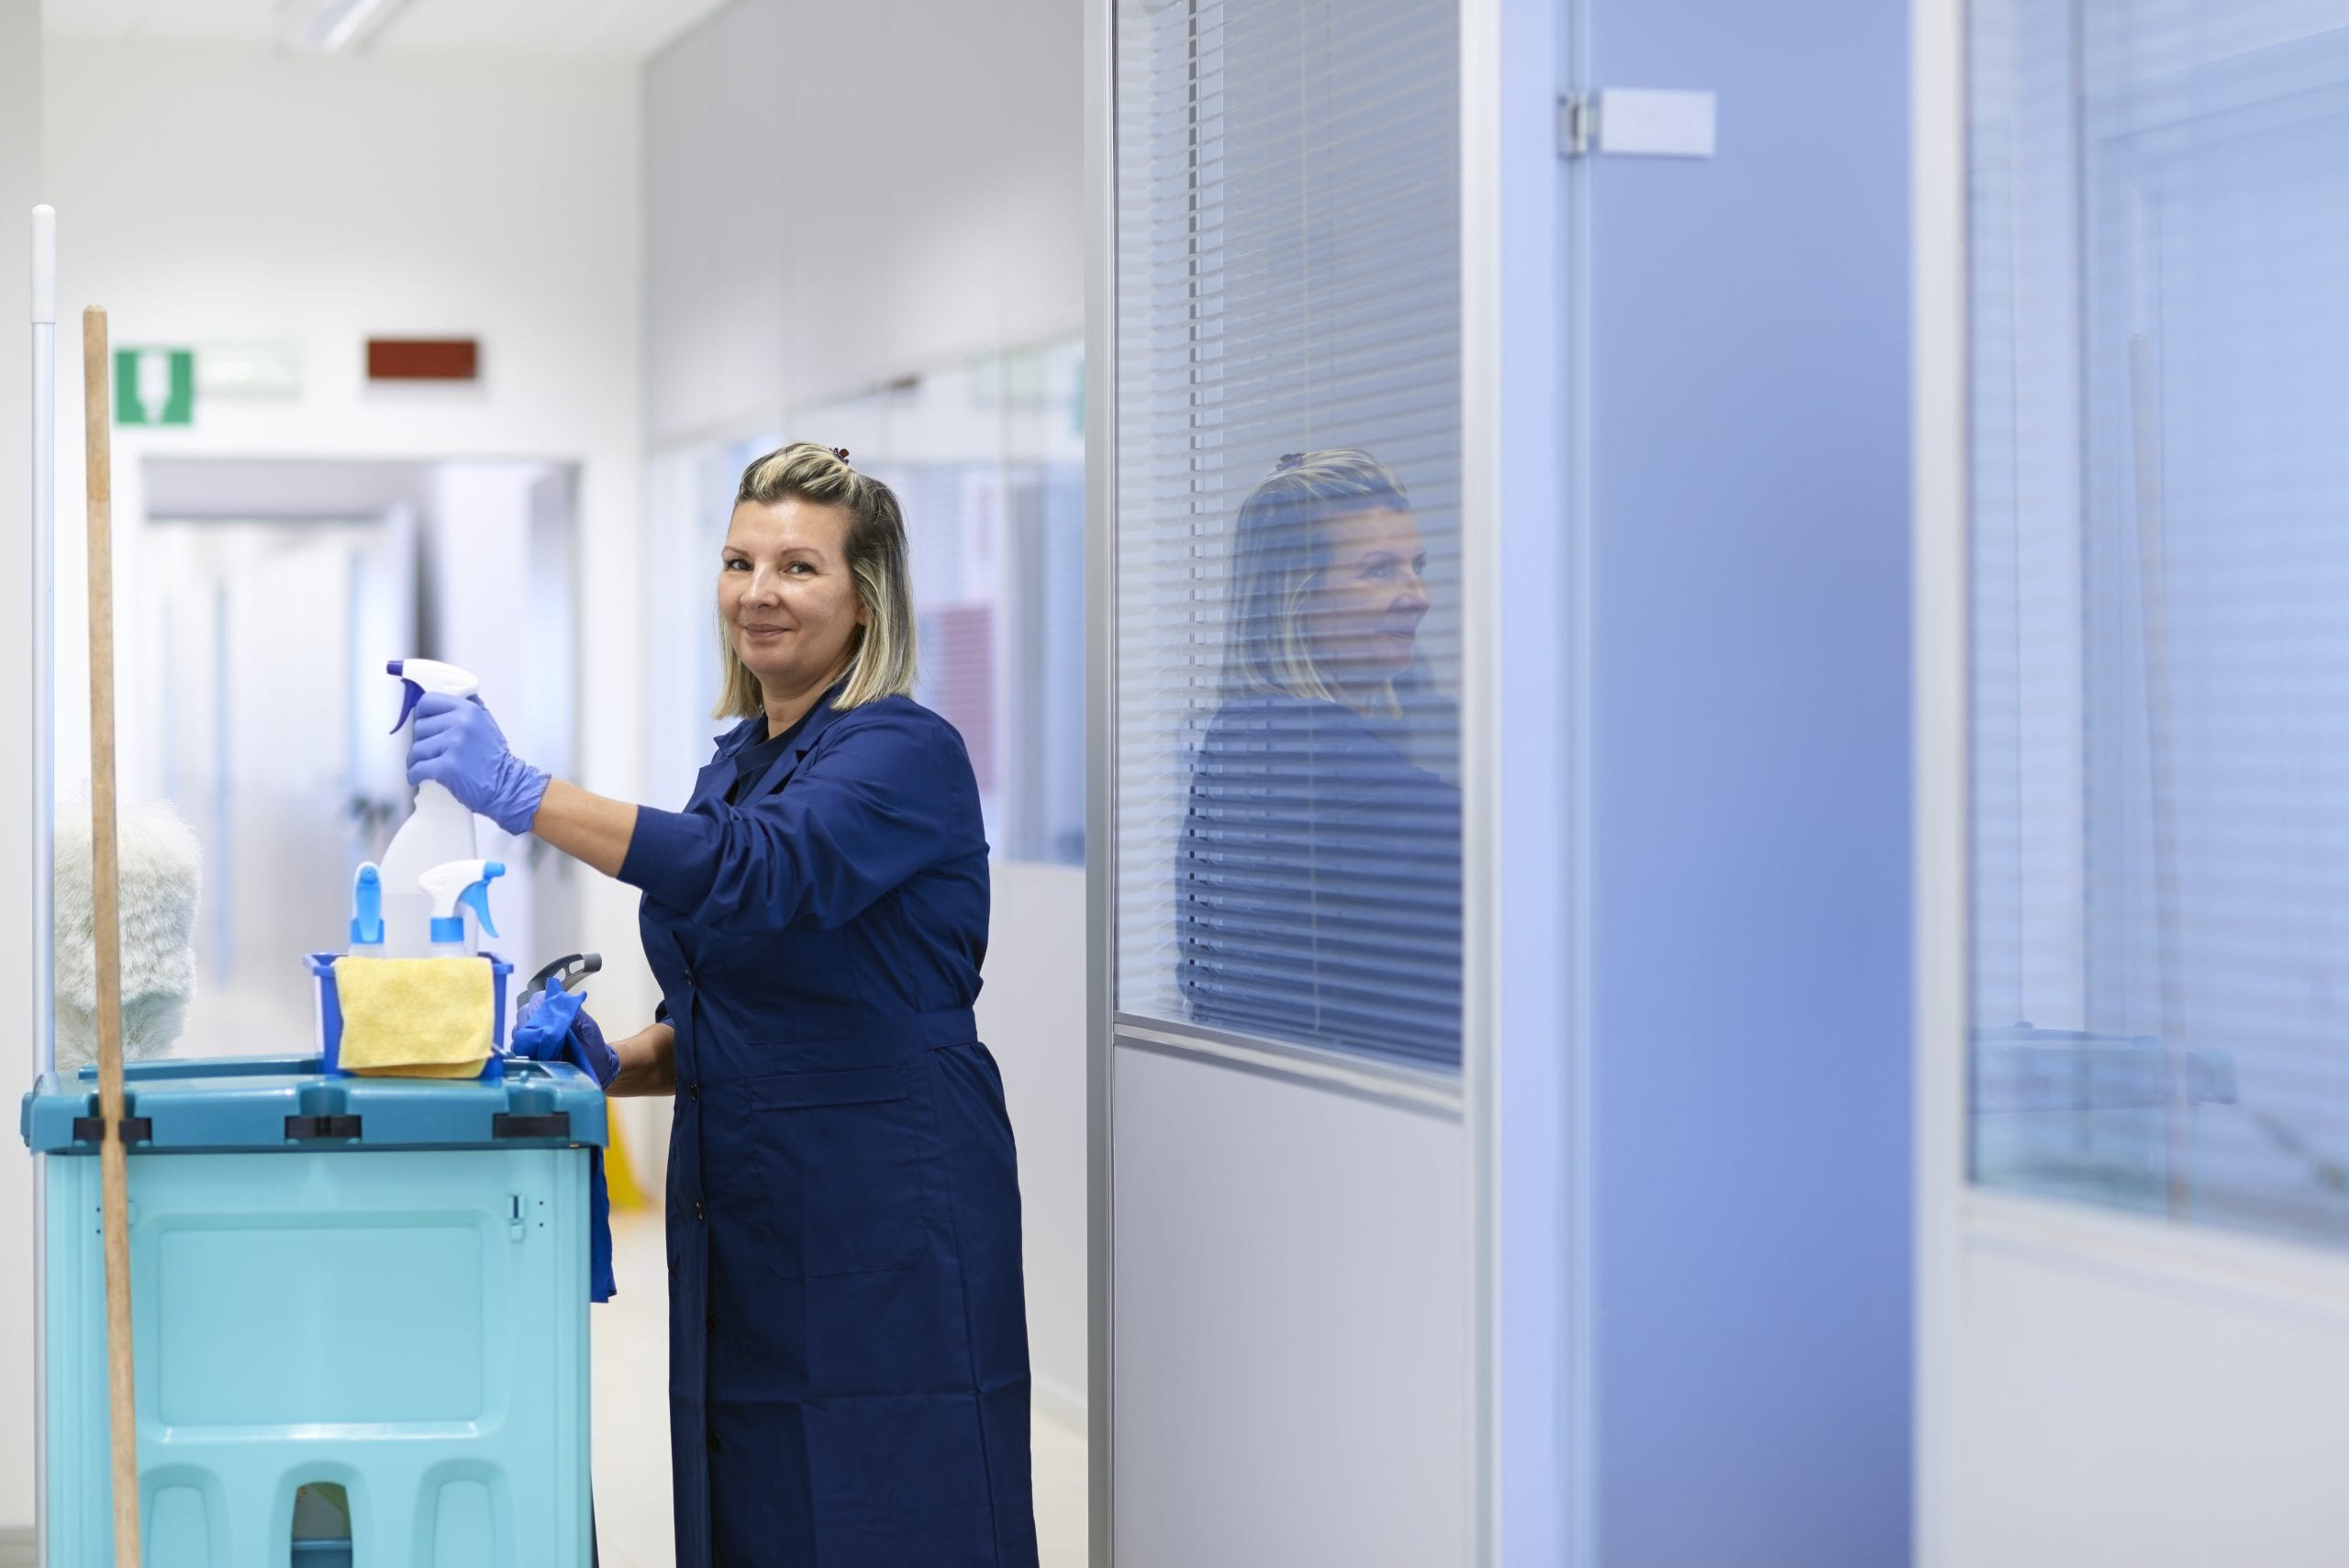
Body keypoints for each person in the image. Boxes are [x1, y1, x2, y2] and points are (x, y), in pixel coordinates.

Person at [405, 441, 1038, 1567]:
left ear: (865, 598)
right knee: (752, 1489)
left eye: (799, 566)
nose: (758, 592)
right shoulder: (738, 761)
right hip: (745, 1196)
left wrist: (520, 794)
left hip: (884, 1202)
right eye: (740, 560)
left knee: (891, 1498)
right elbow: (731, 995)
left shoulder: (904, 750)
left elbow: (760, 870)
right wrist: (612, 1059)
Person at [1177, 449, 1463, 1066]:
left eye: (1418, 565)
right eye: (1380, 570)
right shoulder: (1305, 753)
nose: (1418, 595)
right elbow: (1520, 867)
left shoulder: (1247, 733)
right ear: (1296, 597)